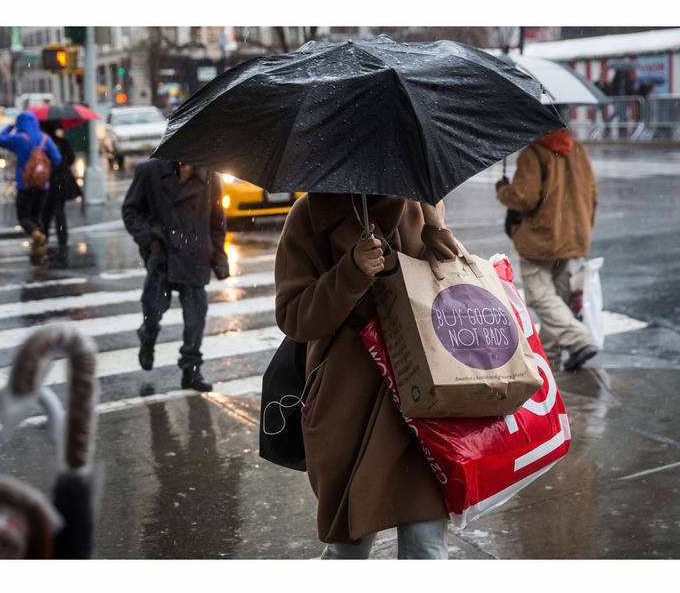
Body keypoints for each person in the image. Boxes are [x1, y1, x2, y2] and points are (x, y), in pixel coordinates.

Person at [274, 192, 459, 559]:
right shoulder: (309, 214)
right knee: (348, 550)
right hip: (348, 406)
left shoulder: (420, 202)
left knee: (426, 549)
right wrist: (351, 271)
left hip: (422, 399)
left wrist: (437, 231)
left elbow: (450, 289)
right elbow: (294, 316)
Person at [496, 127, 598, 372]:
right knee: (559, 299)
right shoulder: (578, 149)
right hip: (571, 236)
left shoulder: (535, 152)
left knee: (540, 297)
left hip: (540, 239)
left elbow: (525, 198)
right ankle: (550, 358)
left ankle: (579, 340)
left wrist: (503, 190)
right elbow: (592, 194)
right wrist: (581, 229)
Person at [122, 159, 230, 392]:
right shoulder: (150, 171)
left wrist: (220, 258)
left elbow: (217, 218)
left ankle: (191, 370)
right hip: (163, 256)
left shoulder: (208, 173)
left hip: (195, 256)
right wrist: (149, 239)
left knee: (195, 320)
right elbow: (130, 210)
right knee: (153, 310)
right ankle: (147, 338)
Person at [0, 111, 61, 262]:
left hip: (25, 185)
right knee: (36, 217)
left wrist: (10, 126)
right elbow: (57, 158)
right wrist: (44, 171)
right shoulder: (45, 139)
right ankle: (38, 251)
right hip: (42, 185)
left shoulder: (19, 139)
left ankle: (38, 237)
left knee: (24, 217)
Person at [41, 127, 80, 248]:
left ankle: (44, 236)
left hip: (46, 180)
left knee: (45, 211)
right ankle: (62, 238)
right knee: (59, 210)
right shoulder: (62, 142)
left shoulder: (41, 143)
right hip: (61, 181)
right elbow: (71, 159)